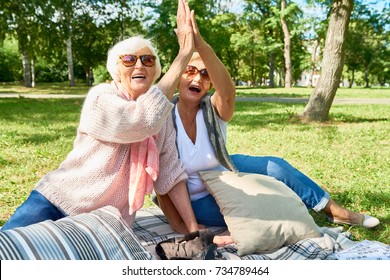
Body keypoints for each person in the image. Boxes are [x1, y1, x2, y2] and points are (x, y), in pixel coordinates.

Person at [157, 3, 380, 239]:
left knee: (274, 166)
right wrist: (181, 226)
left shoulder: (213, 109)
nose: (197, 78)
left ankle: (335, 211)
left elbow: (229, 92)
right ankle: (292, 210)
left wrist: (199, 44)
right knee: (260, 206)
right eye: (190, 70)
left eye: (205, 74)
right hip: (197, 198)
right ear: (179, 75)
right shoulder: (162, 116)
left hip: (223, 169)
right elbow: (160, 180)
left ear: (210, 84)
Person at [1, 0, 200, 232]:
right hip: (57, 202)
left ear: (155, 70)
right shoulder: (102, 97)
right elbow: (139, 120)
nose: (139, 65)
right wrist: (183, 55)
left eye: (147, 60)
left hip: (104, 223)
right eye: (129, 59)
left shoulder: (161, 116)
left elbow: (170, 173)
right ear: (116, 69)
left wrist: (194, 229)